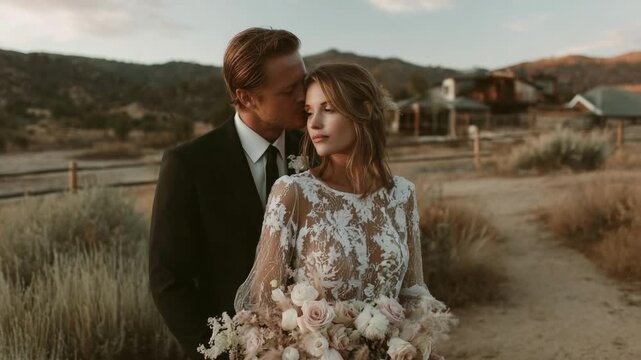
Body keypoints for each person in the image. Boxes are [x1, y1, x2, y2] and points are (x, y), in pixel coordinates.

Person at [234, 64, 451, 359]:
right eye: (309, 112)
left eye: (329, 109)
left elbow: (413, 293)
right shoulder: (293, 193)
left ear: (364, 110)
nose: (314, 123)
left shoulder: (403, 195)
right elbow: (265, 304)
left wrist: (414, 343)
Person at [149, 27, 306, 359]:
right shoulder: (188, 165)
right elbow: (169, 282)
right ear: (247, 97)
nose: (304, 97)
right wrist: (223, 352)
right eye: (290, 90)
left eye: (304, 82)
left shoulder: (316, 154)